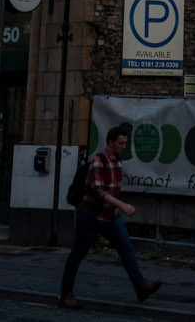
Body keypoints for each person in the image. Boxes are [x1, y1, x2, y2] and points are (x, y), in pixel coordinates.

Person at [59, 123, 161, 308]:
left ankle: (140, 287)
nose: (124, 146)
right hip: (90, 217)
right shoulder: (99, 161)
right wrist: (123, 206)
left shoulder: (117, 161)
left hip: (110, 217)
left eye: (125, 143)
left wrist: (117, 209)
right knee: (77, 255)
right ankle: (65, 294)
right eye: (121, 143)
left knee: (126, 248)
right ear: (110, 142)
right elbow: (98, 192)